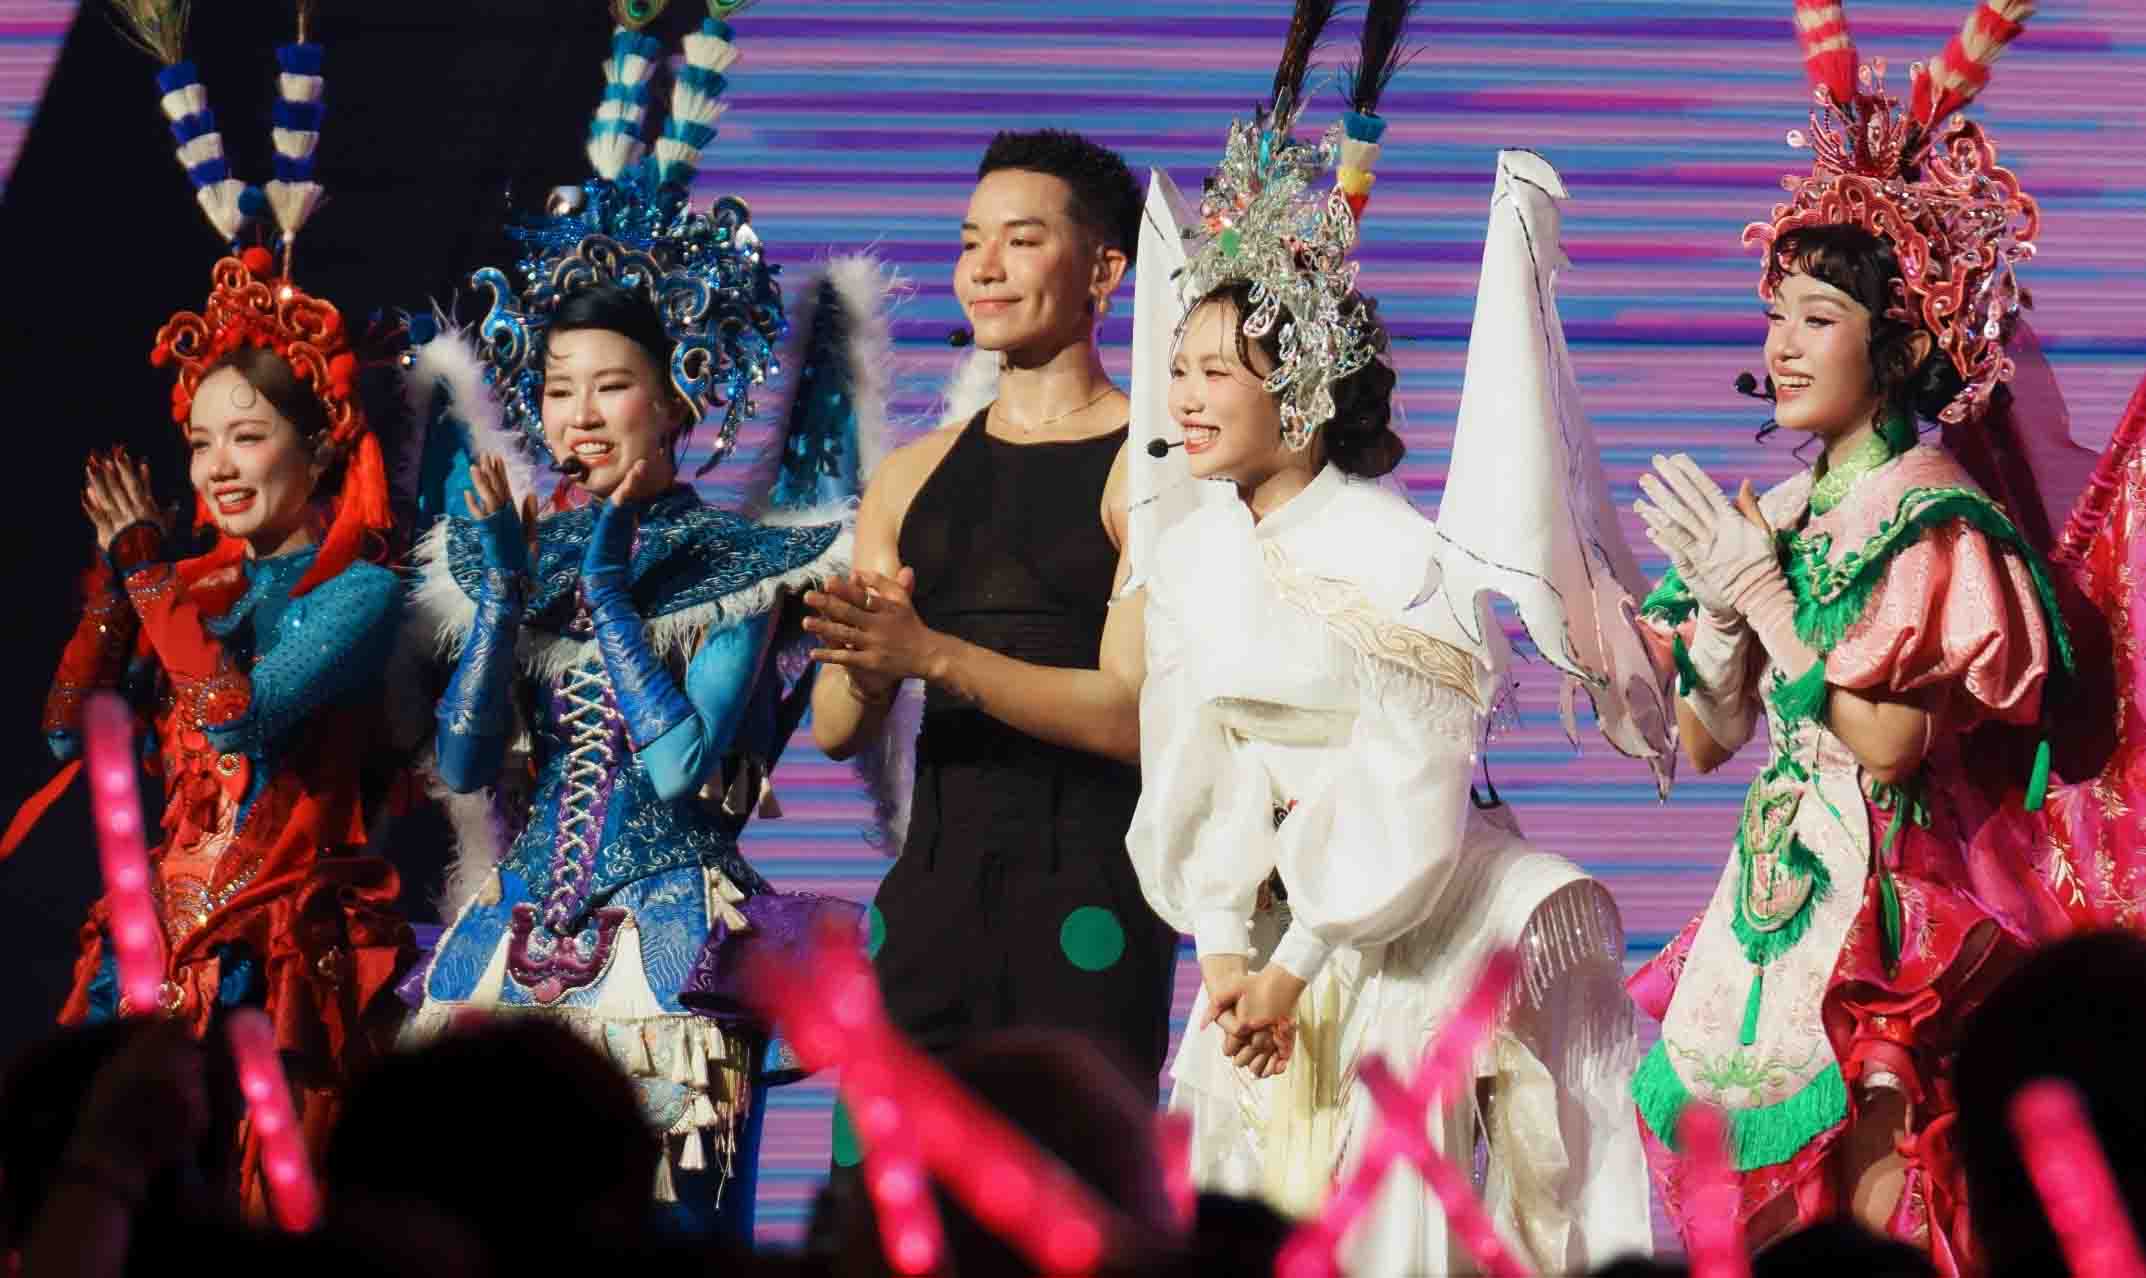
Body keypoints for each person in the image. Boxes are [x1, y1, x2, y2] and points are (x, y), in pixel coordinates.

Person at [1118, 5, 1654, 1270]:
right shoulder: (1194, 548)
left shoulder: (1397, 557)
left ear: (1302, 397)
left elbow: (1404, 780)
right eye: (1180, 367)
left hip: (1397, 935)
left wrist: (1299, 961)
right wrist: (1228, 946)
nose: (1183, 396)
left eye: (1216, 372)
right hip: (1257, 954)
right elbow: (1195, 755)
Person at [398, 10, 880, 1240]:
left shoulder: (737, 566)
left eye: (609, 386)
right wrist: (504, 600)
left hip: (664, 951)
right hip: (513, 937)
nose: (578, 415)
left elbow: (682, 767)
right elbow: (462, 764)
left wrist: (614, 600)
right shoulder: (522, 552)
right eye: (558, 390)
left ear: (675, 401)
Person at [1625, 3, 2086, 1265]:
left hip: (1892, 900)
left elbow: (1885, 744)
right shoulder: (1775, 509)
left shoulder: (1933, 517)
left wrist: (1771, 603)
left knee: (1889, 1207)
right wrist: (1714, 626)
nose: (1780, 346)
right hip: (1774, 896)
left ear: (1896, 344)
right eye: (1775, 313)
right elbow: (1710, 741)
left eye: (1816, 318)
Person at [2, 6, 412, 1213]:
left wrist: (145, 574)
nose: (218, 466)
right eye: (199, 441)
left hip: (277, 959)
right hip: (147, 954)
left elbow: (239, 715)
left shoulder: (361, 591)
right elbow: (67, 733)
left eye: (248, 435)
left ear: (318, 446)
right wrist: (117, 593)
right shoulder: (185, 585)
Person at [799, 127, 1178, 1101]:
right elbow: (836, 729)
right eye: (972, 242)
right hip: (928, 903)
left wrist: (933, 653)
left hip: (1086, 900)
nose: (985, 268)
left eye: (1021, 240)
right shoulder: (909, 475)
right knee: (888, 1180)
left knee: (1064, 1180)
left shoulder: (1152, 466)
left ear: (1104, 271)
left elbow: (1131, 715)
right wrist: (870, 666)